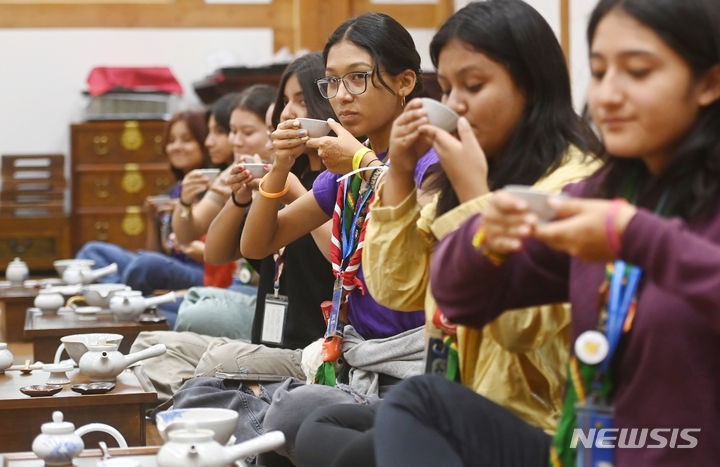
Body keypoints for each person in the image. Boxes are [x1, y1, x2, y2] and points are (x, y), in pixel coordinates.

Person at [380, 0, 720, 465]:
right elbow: (458, 298)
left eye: (638, 72)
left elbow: (520, 334)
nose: (608, 95)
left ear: (710, 83)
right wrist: (483, 229)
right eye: (599, 72)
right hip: (590, 450)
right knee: (413, 404)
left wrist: (639, 237)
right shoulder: (603, 190)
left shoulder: (593, 194)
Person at [294, 1, 601, 465]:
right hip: (463, 401)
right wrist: (396, 173)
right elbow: (397, 286)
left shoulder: (569, 187)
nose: (455, 104)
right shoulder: (465, 168)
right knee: (324, 434)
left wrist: (475, 197)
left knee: (407, 408)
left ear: (533, 85)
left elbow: (519, 329)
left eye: (474, 86)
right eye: (450, 87)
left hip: (548, 427)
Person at [130, 55, 336, 403]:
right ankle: (218, 397)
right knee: (148, 346)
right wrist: (241, 196)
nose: (287, 113)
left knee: (208, 349)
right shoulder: (284, 176)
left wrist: (287, 187)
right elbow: (222, 251)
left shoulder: (333, 183)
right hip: (264, 342)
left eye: (300, 100)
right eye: (285, 102)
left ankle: (211, 399)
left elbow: (340, 254)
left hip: (307, 353)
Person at [75, 111, 212, 324]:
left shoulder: (213, 191)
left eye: (187, 140)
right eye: (171, 140)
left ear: (205, 141)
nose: (177, 146)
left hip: (199, 271)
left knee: (146, 264)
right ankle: (122, 297)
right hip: (167, 266)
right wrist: (151, 220)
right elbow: (154, 253)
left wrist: (187, 211)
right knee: (91, 251)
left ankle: (117, 298)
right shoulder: (172, 191)